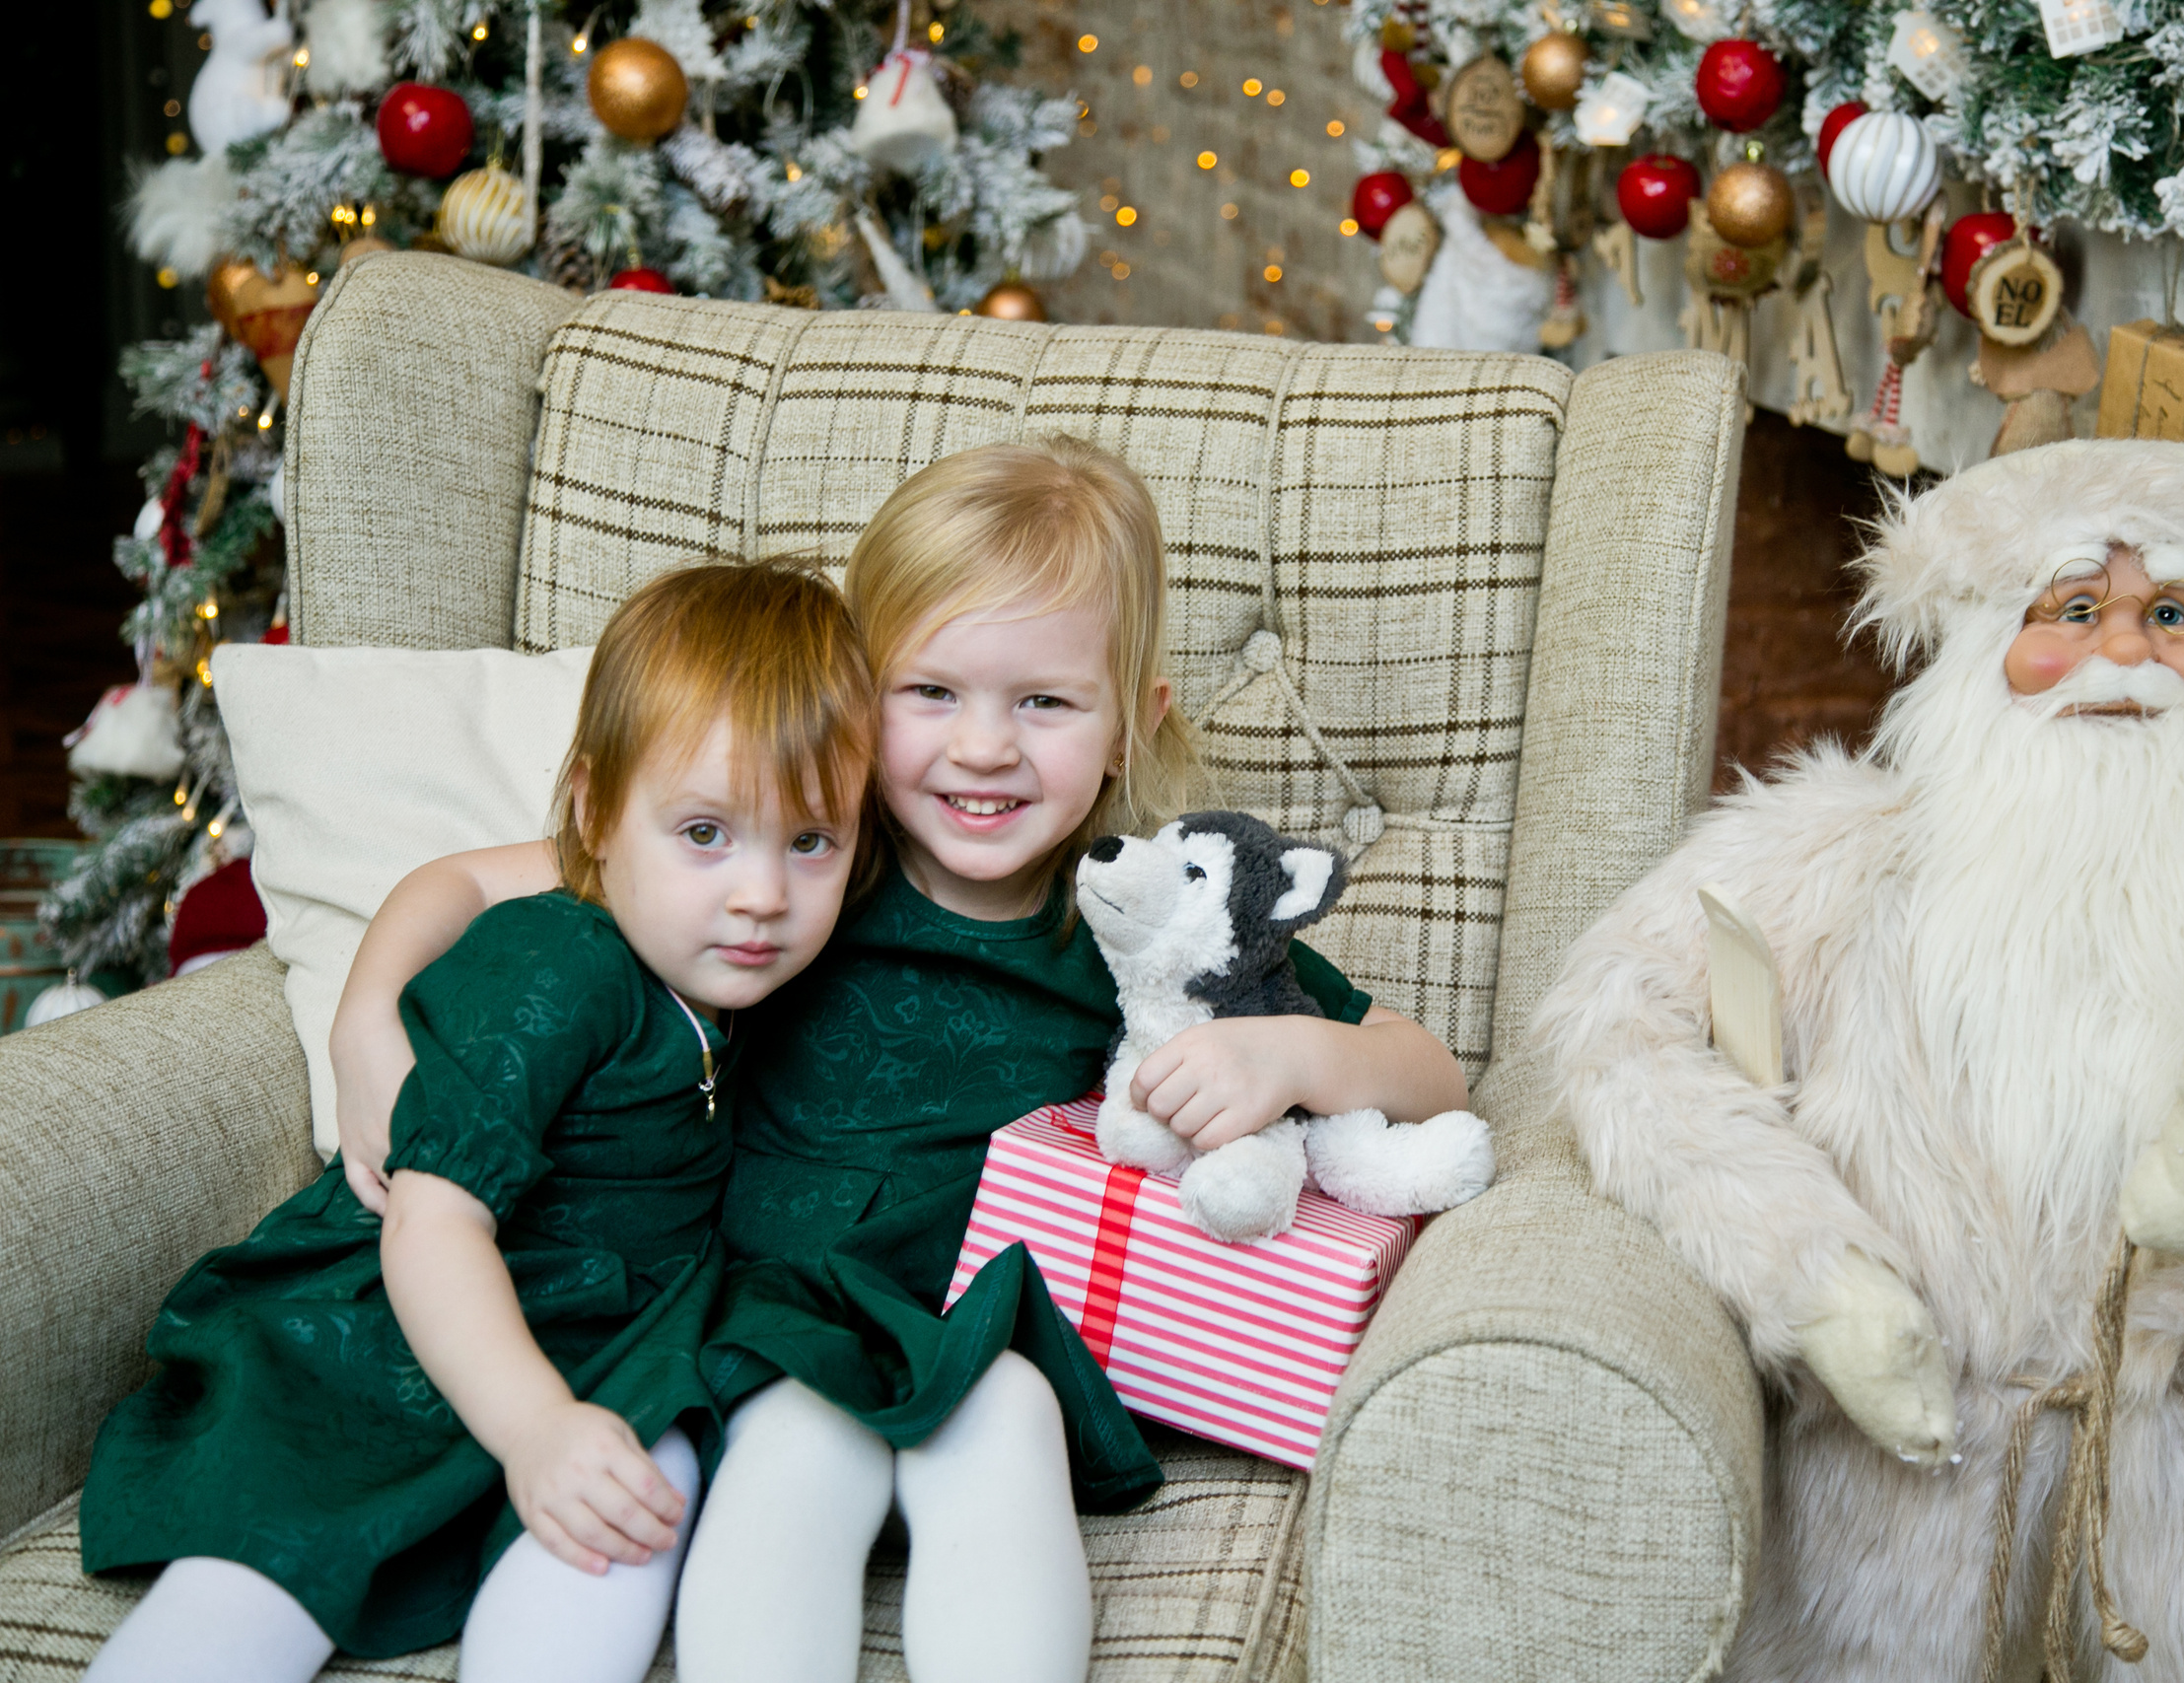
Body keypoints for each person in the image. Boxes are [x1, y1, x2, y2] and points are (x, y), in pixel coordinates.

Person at [331, 436, 1473, 1683]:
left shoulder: (1141, 917)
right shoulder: (799, 864)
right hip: (769, 1313)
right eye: (931, 694)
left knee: (1012, 1432)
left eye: (1043, 702)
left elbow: (1430, 1073)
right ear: (858, 696)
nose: (984, 748)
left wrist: (1292, 1050)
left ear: (1129, 723)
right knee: (793, 1459)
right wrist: (365, 1025)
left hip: (990, 1320)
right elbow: (458, 884)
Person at [1536, 439, 2184, 1680]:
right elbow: (1615, 1024)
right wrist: (1812, 1274)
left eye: (2173, 613)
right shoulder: (1828, 865)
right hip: (1888, 1554)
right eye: (2071, 609)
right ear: (1978, 645)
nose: (2122, 655)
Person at [79, 559, 874, 1683]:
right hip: (420, 1314)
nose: (761, 895)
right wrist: (535, 1428)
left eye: (811, 843)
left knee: (620, 1529)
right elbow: (433, 1225)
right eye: (705, 833)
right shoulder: (560, 964)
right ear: (597, 812)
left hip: (618, 1335)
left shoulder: (705, 928)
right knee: (279, 1546)